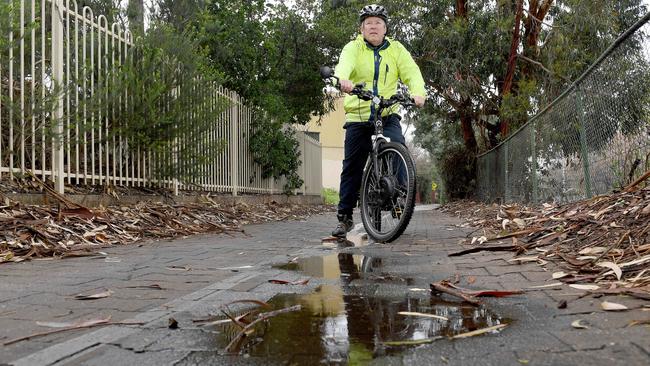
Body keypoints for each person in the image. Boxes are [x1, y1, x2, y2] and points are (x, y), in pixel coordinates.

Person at [331, 4, 426, 238]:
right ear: (361, 28)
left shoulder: (396, 49)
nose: (373, 27)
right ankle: (345, 217)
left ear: (385, 28)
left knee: (398, 149)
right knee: (352, 166)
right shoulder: (353, 48)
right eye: (368, 23)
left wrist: (418, 92)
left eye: (378, 23)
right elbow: (344, 65)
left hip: (386, 111)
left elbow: (411, 72)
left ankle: (398, 199)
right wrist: (343, 79)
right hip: (359, 113)